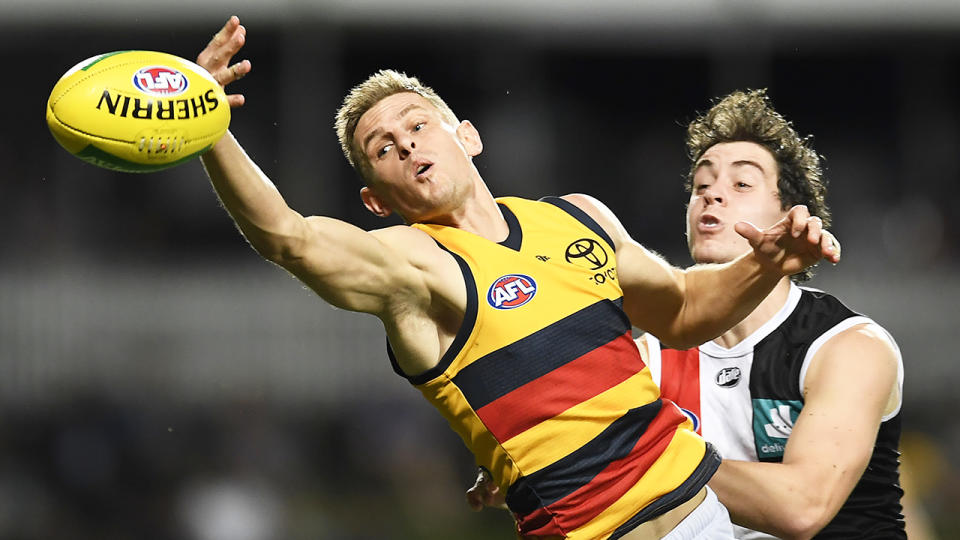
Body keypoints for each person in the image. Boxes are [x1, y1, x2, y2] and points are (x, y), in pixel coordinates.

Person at [196, 17, 839, 540]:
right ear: (376, 201)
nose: (408, 145)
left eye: (418, 125)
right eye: (384, 148)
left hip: (703, 521)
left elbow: (680, 310)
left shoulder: (575, 216)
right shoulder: (411, 266)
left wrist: (765, 265)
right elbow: (289, 236)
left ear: (466, 136)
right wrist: (208, 126)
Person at [465, 89, 906, 539]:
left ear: (790, 215)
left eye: (741, 184)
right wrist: (542, 459)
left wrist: (620, 453)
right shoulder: (642, 359)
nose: (713, 195)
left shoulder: (847, 345)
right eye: (702, 185)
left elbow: (800, 508)